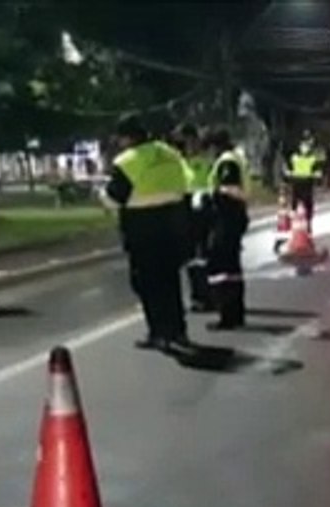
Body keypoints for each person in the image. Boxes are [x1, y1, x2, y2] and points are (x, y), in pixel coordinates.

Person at [104, 115, 192, 353]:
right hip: (172, 225)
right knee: (170, 281)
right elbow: (186, 184)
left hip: (142, 229)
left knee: (147, 283)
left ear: (127, 138)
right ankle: (178, 330)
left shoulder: (128, 161)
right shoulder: (170, 153)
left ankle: (159, 332)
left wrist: (102, 196)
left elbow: (114, 198)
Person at [203, 128, 249, 330]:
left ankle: (228, 314)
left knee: (221, 265)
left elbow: (230, 189)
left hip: (227, 217)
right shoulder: (233, 158)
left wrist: (211, 197)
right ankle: (235, 313)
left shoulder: (227, 162)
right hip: (233, 216)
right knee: (231, 266)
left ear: (215, 146)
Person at [173, 123, 215, 313]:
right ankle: (198, 295)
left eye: (186, 142)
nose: (185, 147)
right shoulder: (179, 163)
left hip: (203, 210)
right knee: (190, 257)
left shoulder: (206, 161)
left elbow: (211, 184)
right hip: (184, 211)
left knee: (204, 255)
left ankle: (208, 295)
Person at [285, 132, 322, 224]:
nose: (304, 148)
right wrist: (288, 173)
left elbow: (317, 169)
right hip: (296, 182)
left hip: (308, 183)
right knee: (294, 200)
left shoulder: (313, 158)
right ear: (300, 146)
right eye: (303, 146)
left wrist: (317, 174)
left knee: (308, 202)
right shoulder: (294, 157)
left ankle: (309, 221)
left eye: (306, 146)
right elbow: (288, 168)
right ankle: (292, 218)